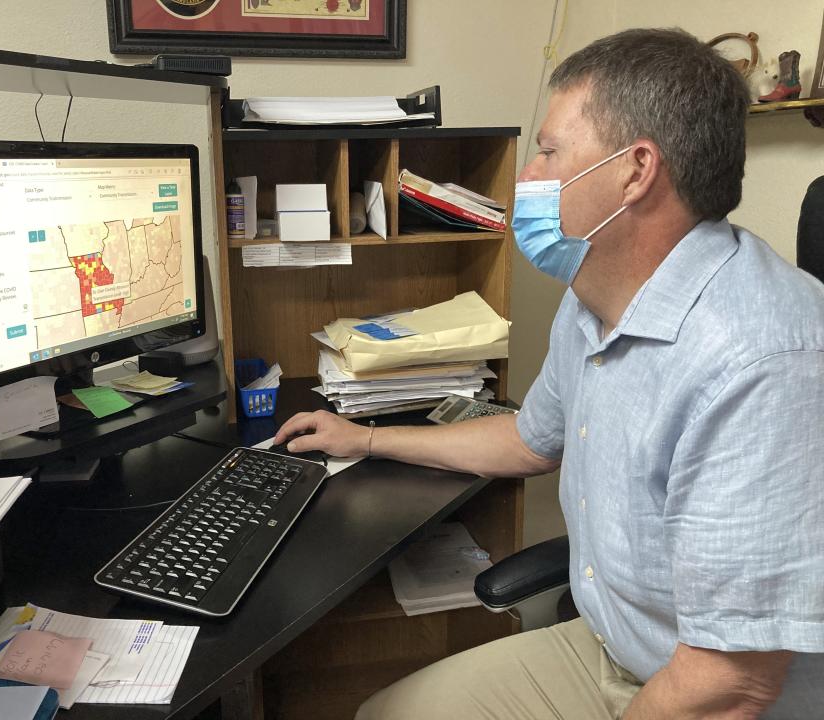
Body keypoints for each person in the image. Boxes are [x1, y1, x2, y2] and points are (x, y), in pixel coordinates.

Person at [275, 28, 824, 720]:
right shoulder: (595, 298)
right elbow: (531, 441)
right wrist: (368, 439)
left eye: (548, 150)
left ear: (635, 170)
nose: (527, 176)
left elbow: (731, 685)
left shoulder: (764, 361)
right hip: (612, 651)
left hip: (707, 695)